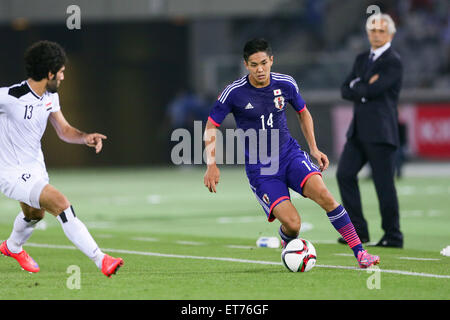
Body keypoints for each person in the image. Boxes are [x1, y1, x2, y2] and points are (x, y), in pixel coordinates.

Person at [203, 38, 380, 268]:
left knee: (326, 197)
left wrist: (314, 148)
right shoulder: (233, 92)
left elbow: (303, 113)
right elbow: (210, 125)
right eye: (254, 64)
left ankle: (360, 253)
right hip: (262, 170)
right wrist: (211, 164)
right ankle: (288, 240)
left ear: (272, 60)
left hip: (290, 155)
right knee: (294, 224)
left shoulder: (286, 84)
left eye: (264, 63)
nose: (260, 69)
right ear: (246, 64)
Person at [0, 40, 124, 276]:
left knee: (34, 214)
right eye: (62, 72)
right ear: (49, 73)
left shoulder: (49, 96)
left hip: (35, 168)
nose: (64, 77)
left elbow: (64, 130)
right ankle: (102, 260)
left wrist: (85, 137)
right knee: (61, 205)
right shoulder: (9, 97)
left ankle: (12, 246)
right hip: (10, 173)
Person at [337, 13, 404, 248]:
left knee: (383, 184)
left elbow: (374, 91)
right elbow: (346, 89)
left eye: (381, 31)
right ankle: (358, 231)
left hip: (381, 132)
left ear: (391, 34)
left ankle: (393, 235)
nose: (376, 34)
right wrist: (364, 86)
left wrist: (360, 86)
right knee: (344, 175)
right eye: (372, 30)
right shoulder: (361, 58)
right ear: (367, 33)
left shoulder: (393, 61)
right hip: (358, 132)